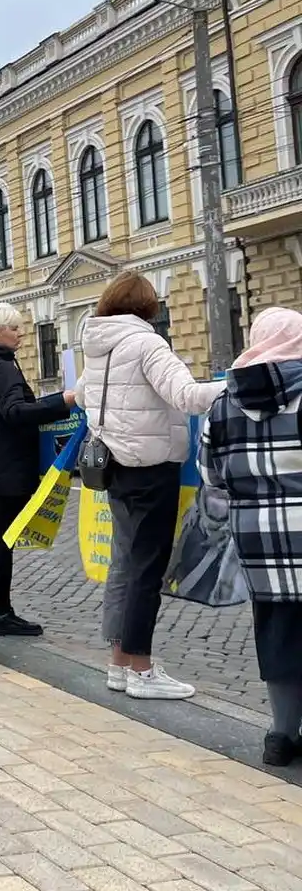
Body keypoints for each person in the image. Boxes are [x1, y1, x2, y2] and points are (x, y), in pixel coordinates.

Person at [75, 270, 224, 700]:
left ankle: (119, 664)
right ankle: (142, 669)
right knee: (145, 571)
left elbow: (84, 396)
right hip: (149, 468)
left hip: (113, 468)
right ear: (146, 306)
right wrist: (238, 385)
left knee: (125, 565)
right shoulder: (147, 342)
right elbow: (188, 397)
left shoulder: (97, 344)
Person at [200, 307, 302, 765]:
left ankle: (280, 735)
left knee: (276, 632)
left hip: (258, 539)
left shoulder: (225, 400)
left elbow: (210, 475)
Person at [0, 305, 76, 637]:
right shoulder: (2, 367)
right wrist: (62, 401)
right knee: (0, 540)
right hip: (6, 465)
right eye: (15, 329)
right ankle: (0, 612)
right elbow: (15, 411)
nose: (20, 334)